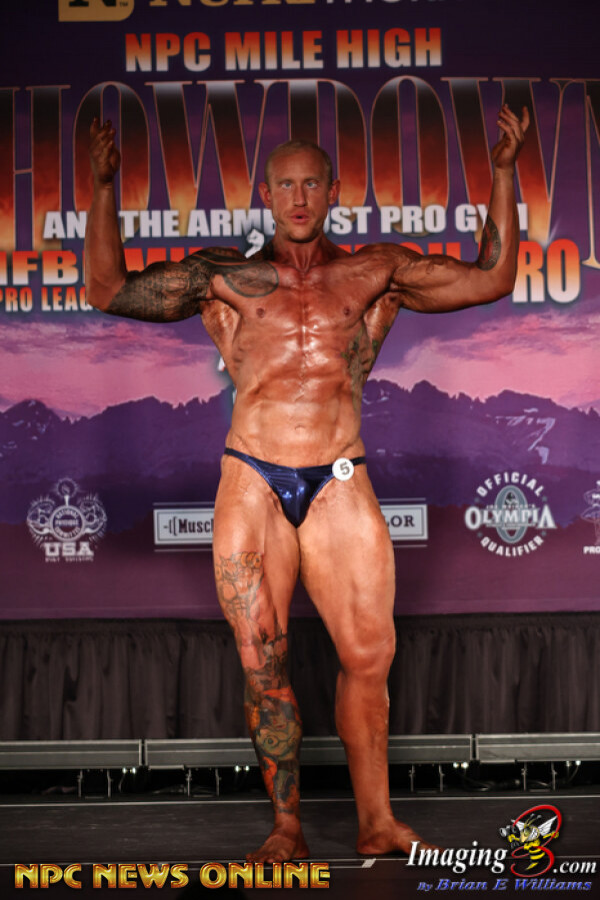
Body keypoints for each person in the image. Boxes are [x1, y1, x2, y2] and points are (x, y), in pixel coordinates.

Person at [86, 105, 529, 863]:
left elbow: (493, 277)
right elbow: (105, 288)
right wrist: (103, 188)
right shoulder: (224, 278)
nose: (298, 197)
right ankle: (286, 827)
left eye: (311, 184)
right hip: (252, 477)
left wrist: (504, 171)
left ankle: (377, 823)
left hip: (339, 476)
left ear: (332, 193)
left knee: (369, 655)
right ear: (266, 195)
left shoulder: (375, 271)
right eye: (284, 185)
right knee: (263, 663)